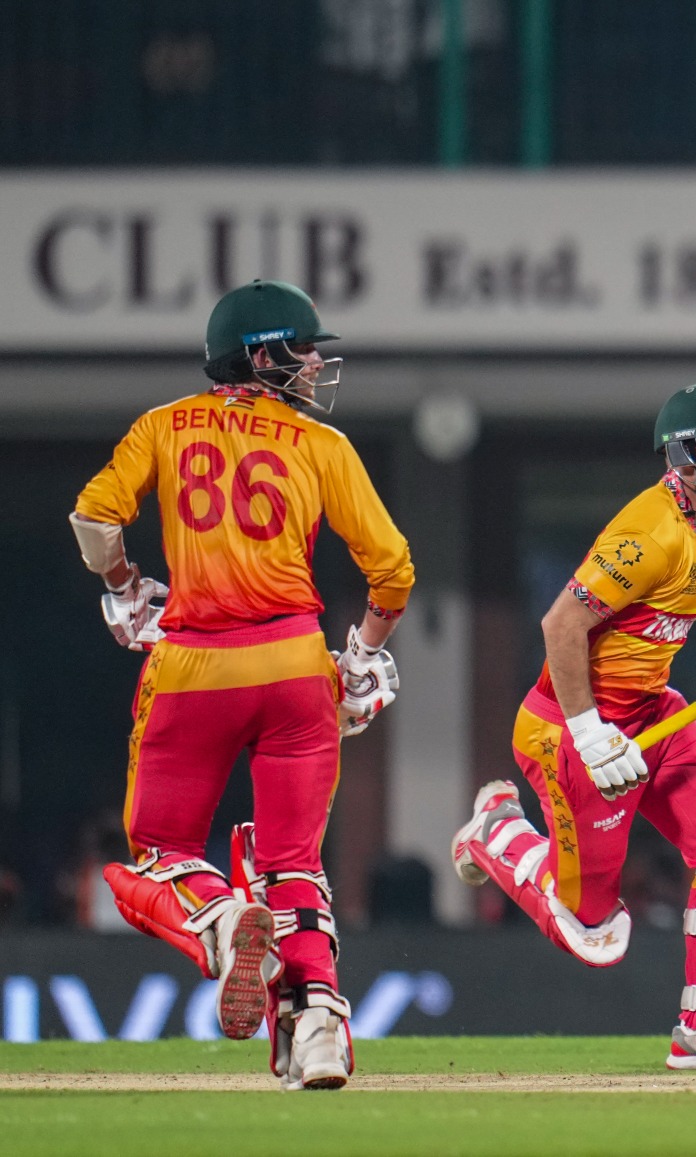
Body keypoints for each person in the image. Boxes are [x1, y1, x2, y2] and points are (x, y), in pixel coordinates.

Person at [71, 279, 413, 1090]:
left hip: (193, 664)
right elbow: (394, 570)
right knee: (295, 861)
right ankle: (319, 1025)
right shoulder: (321, 443)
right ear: (260, 356)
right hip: (296, 661)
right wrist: (360, 654)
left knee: (157, 856)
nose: (314, 364)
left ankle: (222, 921)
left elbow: (94, 517)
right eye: (302, 349)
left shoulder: (163, 424)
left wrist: (123, 586)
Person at [453, 381, 696, 1070]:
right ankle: (495, 830)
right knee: (593, 931)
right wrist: (588, 732)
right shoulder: (649, 532)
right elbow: (561, 625)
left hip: (654, 717)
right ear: (685, 453)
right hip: (568, 728)